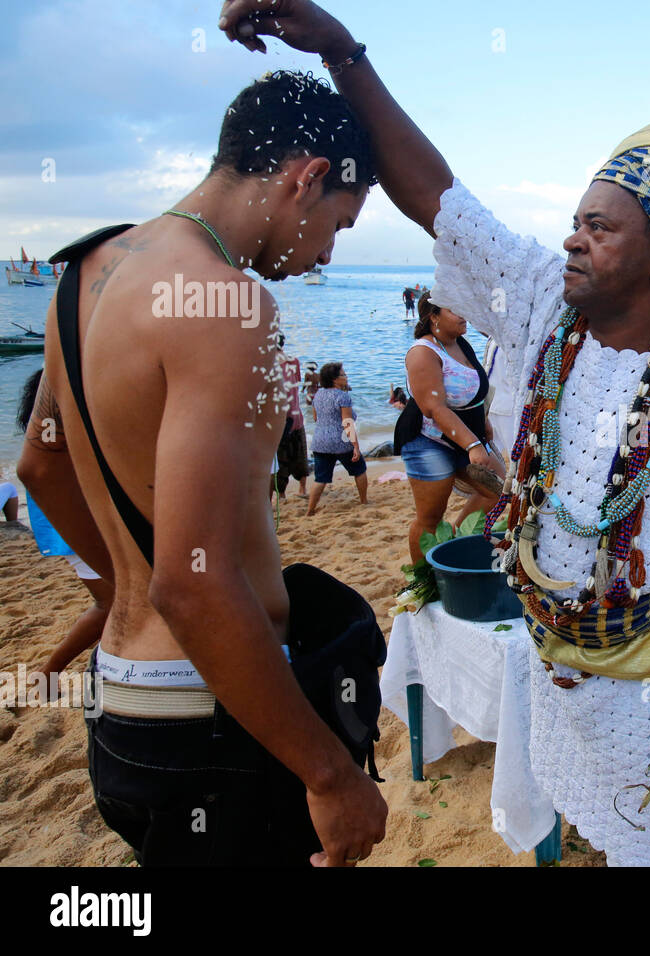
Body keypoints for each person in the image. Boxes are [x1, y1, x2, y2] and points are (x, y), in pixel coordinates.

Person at [222, 0, 650, 867]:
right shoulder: (542, 304)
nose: (571, 239)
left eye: (599, 227)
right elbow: (437, 198)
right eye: (575, 219)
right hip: (551, 667)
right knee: (574, 820)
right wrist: (344, 52)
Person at [17, 67, 387, 866]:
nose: (325, 252)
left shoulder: (82, 276)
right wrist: (328, 776)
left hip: (122, 709)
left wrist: (126, 595)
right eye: (340, 225)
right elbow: (192, 583)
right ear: (308, 177)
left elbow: (40, 465)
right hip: (211, 728)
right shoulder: (228, 305)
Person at [16, 369, 113, 693]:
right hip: (73, 526)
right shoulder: (63, 443)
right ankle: (49, 672)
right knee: (111, 603)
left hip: (71, 523)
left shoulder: (58, 441)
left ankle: (53, 672)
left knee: (117, 601)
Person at [397, 292, 504, 564]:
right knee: (431, 516)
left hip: (466, 435)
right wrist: (473, 445)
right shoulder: (423, 352)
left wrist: (484, 422)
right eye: (454, 309)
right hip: (428, 440)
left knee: (501, 491)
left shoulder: (460, 343)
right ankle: (425, 582)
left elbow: (472, 390)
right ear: (434, 316)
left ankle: (454, 543)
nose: (463, 314)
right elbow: (434, 408)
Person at [306, 361, 368, 514]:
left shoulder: (318, 394)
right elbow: (347, 423)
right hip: (341, 441)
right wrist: (355, 446)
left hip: (320, 441)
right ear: (335, 379)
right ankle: (364, 501)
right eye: (343, 374)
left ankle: (310, 509)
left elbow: (315, 418)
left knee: (320, 479)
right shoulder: (343, 397)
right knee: (359, 469)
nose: (346, 377)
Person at [275, 334, 310, 499]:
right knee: (300, 452)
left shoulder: (266, 364)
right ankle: (302, 488)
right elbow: (297, 382)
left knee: (280, 456)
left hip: (277, 418)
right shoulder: (293, 361)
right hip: (295, 415)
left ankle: (281, 493)